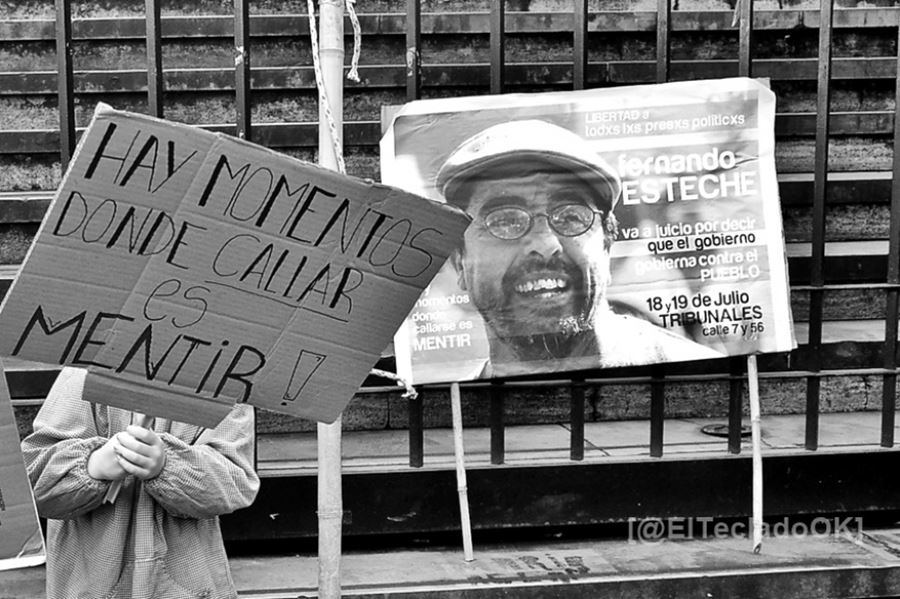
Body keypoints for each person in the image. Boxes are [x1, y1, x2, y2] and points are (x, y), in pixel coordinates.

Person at [435, 119, 721, 377]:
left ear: (608, 249)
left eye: (571, 218)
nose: (546, 245)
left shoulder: (706, 377)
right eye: (505, 221)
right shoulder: (449, 417)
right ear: (460, 261)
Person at [21, 366, 260, 599]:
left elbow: (235, 482)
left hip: (186, 580)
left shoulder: (225, 381)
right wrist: (92, 465)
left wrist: (169, 465)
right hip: (90, 575)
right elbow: (33, 485)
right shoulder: (84, 372)